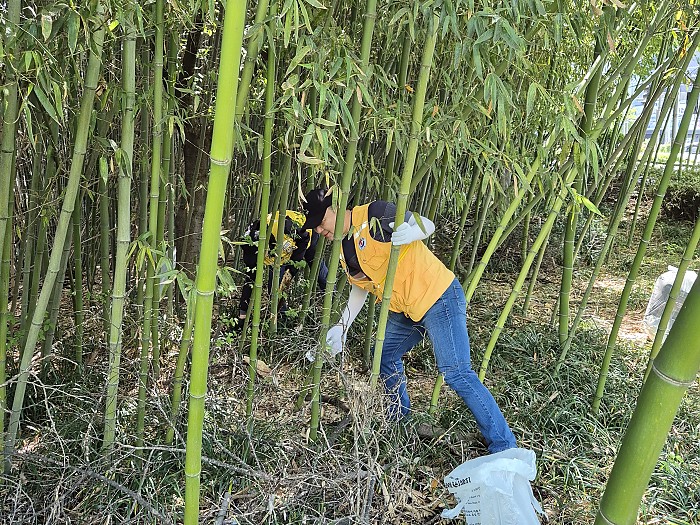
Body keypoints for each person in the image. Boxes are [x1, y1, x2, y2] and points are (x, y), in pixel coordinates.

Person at [301, 188, 516, 454]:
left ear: (335, 208)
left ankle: (505, 446)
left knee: (457, 372)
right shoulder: (344, 247)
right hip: (407, 310)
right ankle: (400, 423)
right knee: (384, 355)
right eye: (315, 226)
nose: (319, 230)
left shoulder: (374, 213)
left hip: (438, 297)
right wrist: (342, 326)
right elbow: (361, 285)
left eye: (321, 222)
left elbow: (425, 223)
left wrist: (414, 231)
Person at [232, 210, 328, 332]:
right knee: (275, 289)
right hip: (280, 252)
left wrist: (291, 271)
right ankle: (282, 322)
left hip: (307, 237)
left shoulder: (283, 227)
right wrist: (242, 315)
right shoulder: (250, 248)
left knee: (321, 275)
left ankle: (332, 304)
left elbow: (303, 239)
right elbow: (250, 280)